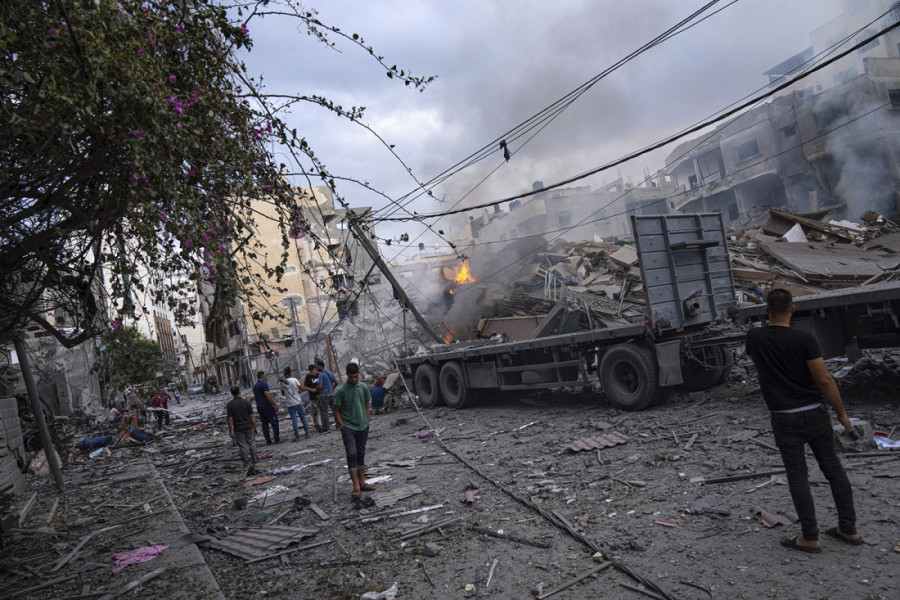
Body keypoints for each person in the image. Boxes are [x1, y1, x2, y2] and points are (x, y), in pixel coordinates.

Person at [745, 288, 861, 553]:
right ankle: (848, 528)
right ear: (793, 309)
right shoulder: (804, 338)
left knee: (798, 476)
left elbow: (758, 360)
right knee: (833, 469)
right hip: (815, 413)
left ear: (766, 311)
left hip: (784, 417)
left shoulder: (755, 337)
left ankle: (810, 536)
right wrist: (842, 414)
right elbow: (824, 379)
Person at [332, 362, 374, 499]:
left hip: (362, 426)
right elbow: (336, 410)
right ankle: (356, 486)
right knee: (352, 453)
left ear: (358, 374)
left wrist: (367, 422)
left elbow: (367, 406)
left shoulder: (363, 387)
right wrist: (342, 425)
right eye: (351, 377)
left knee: (360, 453)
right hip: (348, 427)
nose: (353, 380)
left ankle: (362, 483)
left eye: (355, 377)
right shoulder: (342, 390)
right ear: (347, 376)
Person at [226, 385, 260, 471]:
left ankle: (246, 464)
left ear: (231, 394)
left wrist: (230, 431)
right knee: (252, 443)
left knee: (242, 446)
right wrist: (255, 426)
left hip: (238, 428)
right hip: (248, 426)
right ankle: (256, 462)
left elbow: (230, 419)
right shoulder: (246, 402)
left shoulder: (230, 405)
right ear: (240, 391)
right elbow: (252, 416)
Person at [280, 367, 310, 440]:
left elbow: (283, 393)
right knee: (303, 419)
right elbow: (302, 388)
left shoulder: (281, 382)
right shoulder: (294, 380)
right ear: (290, 372)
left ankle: (297, 437)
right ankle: (307, 434)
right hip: (298, 402)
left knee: (294, 421)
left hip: (290, 404)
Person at [252, 370, 280, 444]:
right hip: (266, 406)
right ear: (262, 376)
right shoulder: (264, 385)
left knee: (264, 424)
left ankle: (268, 440)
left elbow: (259, 395)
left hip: (260, 407)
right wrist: (274, 404)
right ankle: (277, 439)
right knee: (274, 423)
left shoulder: (255, 386)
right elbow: (267, 395)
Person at [301, 364, 325, 432]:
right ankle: (317, 425)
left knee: (322, 411)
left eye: (312, 370)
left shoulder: (319, 375)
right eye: (310, 370)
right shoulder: (308, 377)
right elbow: (304, 387)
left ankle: (324, 424)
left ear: (315, 369)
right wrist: (311, 389)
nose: (311, 371)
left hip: (320, 396)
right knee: (314, 412)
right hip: (313, 397)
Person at [315, 359, 338, 431]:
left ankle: (326, 426)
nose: (316, 368)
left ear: (321, 366)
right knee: (335, 410)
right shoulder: (330, 373)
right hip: (332, 394)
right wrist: (332, 388)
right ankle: (338, 423)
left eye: (317, 367)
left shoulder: (321, 375)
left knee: (324, 412)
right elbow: (336, 382)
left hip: (324, 395)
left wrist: (316, 387)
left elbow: (320, 386)